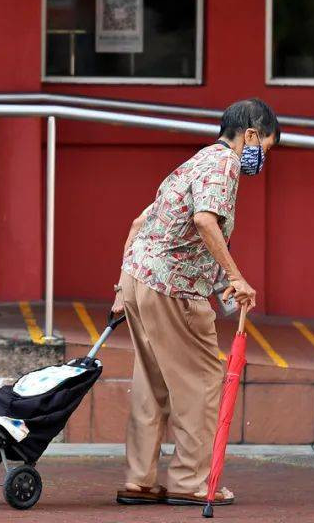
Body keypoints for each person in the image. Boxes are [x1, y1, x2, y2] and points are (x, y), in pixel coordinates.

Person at [111, 98, 279, 507]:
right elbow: (204, 221)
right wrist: (237, 277)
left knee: (151, 384)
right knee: (202, 381)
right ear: (251, 136)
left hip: (138, 279)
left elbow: (140, 222)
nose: (262, 159)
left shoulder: (195, 161)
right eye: (266, 149)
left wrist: (120, 289)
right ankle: (190, 481)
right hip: (172, 289)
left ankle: (139, 480)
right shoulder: (224, 165)